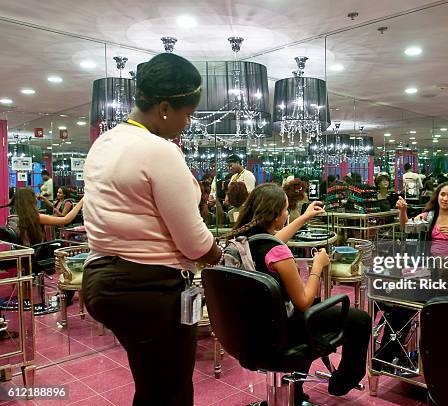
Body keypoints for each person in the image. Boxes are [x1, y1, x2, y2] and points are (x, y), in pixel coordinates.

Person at [81, 53, 222, 406]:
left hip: (101, 280)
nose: (187, 124)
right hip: (150, 289)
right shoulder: (159, 150)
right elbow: (193, 242)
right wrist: (218, 254)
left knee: (153, 386)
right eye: (187, 114)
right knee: (171, 392)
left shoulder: (105, 142)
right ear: (163, 108)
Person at [225, 184, 371, 402]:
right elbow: (303, 302)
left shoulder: (242, 243)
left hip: (251, 333)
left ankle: (296, 391)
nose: (287, 213)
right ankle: (345, 379)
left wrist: (303, 217)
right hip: (283, 334)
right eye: (285, 210)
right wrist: (317, 267)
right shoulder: (278, 253)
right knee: (360, 320)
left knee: (311, 315)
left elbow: (274, 240)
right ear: (275, 216)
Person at [397, 182, 448, 255]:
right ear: (438, 196)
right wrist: (403, 210)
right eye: (442, 194)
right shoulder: (428, 216)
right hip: (428, 261)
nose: (445, 199)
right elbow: (405, 226)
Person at [6, 188, 83, 245]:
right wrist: (81, 202)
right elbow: (66, 219)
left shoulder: (11, 217)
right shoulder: (35, 217)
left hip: (22, 252)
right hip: (36, 254)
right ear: (30, 200)